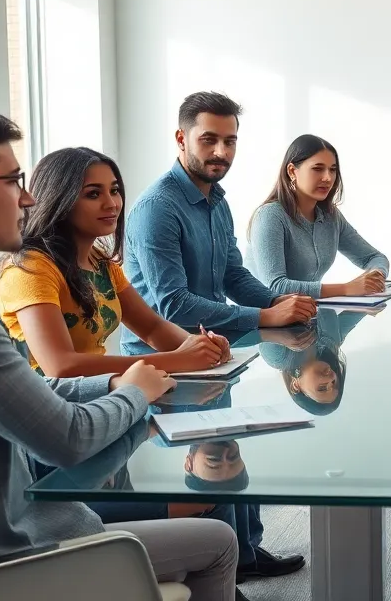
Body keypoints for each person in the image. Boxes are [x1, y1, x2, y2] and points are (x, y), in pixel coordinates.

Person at [0, 101, 239, 600]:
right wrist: (139, 390)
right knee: (218, 542)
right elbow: (67, 441)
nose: (29, 198)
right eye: (13, 180)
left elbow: (33, 388)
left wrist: (117, 382)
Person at [122, 91, 309, 582]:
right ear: (182, 138)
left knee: (234, 447)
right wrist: (262, 319)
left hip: (216, 354)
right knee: (207, 463)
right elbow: (172, 305)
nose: (221, 152)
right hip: (167, 364)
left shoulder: (217, 200)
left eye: (230, 141)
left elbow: (233, 275)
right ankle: (220, 572)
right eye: (209, 139)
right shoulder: (155, 208)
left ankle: (246, 553)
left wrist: (276, 304)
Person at [0, 147, 232, 376]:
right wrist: (177, 359)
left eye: (114, 190)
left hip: (99, 397)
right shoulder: (29, 269)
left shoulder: (99, 261)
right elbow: (60, 366)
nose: (112, 204)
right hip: (45, 407)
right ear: (60, 200)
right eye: (93, 194)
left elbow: (152, 328)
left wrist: (200, 345)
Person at [249, 134, 389, 299]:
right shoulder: (270, 216)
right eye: (318, 169)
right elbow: (275, 286)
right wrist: (346, 288)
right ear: (292, 171)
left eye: (332, 169)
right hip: (265, 320)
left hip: (307, 316)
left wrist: (375, 277)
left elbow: (375, 257)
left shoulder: (331, 216)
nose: (328, 178)